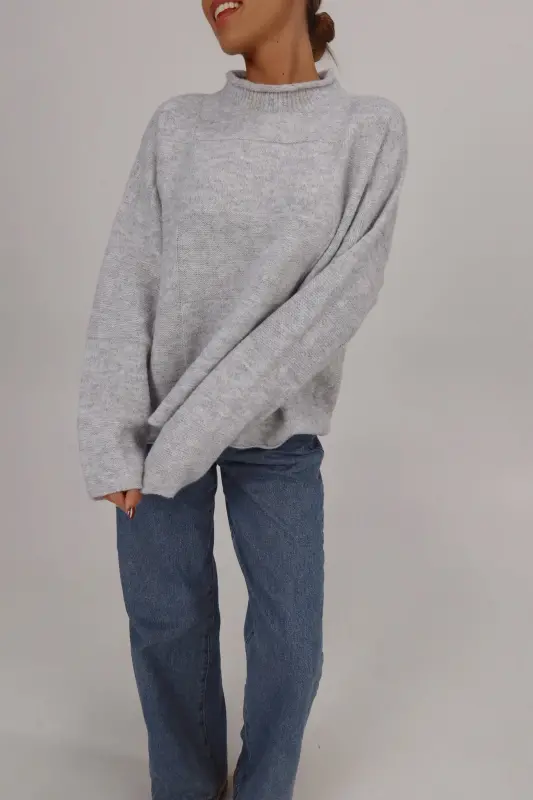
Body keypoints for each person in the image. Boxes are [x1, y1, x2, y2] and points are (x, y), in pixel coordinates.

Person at [77, 1, 409, 798]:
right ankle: (186, 786)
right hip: (153, 435)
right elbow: (129, 280)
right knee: (166, 624)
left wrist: (193, 428)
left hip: (274, 438)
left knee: (291, 636)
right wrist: (112, 437)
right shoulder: (178, 125)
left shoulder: (367, 130)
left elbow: (334, 303)